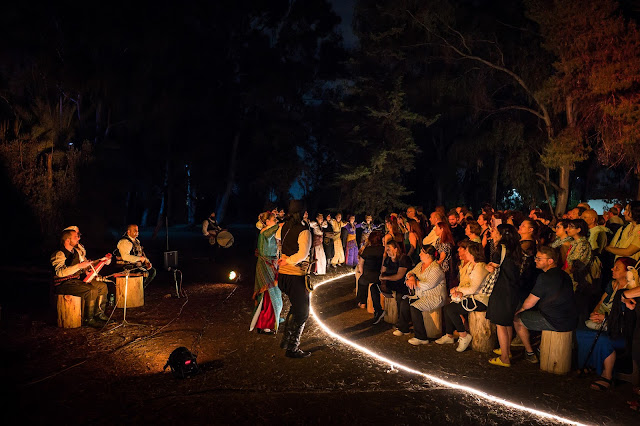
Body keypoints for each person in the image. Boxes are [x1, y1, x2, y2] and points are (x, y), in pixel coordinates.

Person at [576, 257, 637, 391]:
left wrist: (605, 318)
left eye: (617, 268)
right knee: (581, 332)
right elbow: (600, 302)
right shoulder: (613, 284)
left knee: (603, 340)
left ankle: (607, 376)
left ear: (628, 272)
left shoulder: (632, 290)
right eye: (613, 266)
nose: (612, 269)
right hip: (603, 322)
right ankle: (590, 363)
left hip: (620, 330)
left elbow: (628, 319)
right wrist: (595, 313)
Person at [513, 246, 578, 364]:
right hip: (571, 318)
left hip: (555, 320)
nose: (535, 260)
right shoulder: (565, 275)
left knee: (517, 319)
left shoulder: (544, 277)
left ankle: (530, 353)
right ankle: (540, 348)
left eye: (539, 259)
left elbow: (529, 303)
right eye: (536, 258)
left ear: (550, 261)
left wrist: (520, 310)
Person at [51, 227, 110, 328]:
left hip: (76, 281)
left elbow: (85, 264)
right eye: (76, 237)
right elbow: (60, 272)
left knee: (102, 286)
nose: (78, 239)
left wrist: (101, 260)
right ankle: (88, 319)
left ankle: (99, 314)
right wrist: (79, 266)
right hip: (64, 284)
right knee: (91, 290)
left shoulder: (76, 252)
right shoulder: (59, 254)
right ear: (67, 240)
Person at [436, 242, 489, 351]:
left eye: (467, 251)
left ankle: (464, 336)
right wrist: (457, 291)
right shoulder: (471, 265)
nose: (465, 253)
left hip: (480, 300)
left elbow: (473, 288)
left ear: (472, 254)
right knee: (447, 307)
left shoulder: (480, 267)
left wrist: (458, 290)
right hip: (471, 297)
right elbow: (465, 284)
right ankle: (449, 335)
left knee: (451, 309)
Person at [277, 200, 313, 358]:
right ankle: (292, 347)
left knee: (295, 306)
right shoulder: (303, 230)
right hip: (295, 275)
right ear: (302, 213)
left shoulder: (283, 227)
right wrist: (289, 260)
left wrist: (283, 258)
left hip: (283, 275)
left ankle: (286, 340)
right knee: (303, 312)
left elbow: (279, 241)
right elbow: (302, 254)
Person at [486, 224, 522, 367]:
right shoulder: (516, 248)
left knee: (501, 324)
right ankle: (506, 349)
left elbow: (492, 268)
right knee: (507, 321)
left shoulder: (501, 248)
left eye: (495, 231)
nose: (492, 232)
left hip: (501, 289)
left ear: (501, 235)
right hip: (512, 289)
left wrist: (485, 266)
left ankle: (505, 358)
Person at [405, 245, 447, 345]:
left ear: (428, 255)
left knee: (415, 307)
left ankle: (421, 337)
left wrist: (414, 282)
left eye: (422, 253)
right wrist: (411, 277)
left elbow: (428, 285)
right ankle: (403, 328)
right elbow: (410, 272)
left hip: (435, 297)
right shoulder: (420, 265)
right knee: (404, 302)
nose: (419, 254)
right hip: (421, 295)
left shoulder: (435, 269)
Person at [250, 211, 283, 335]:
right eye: (273, 219)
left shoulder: (265, 231)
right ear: (267, 222)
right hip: (266, 264)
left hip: (269, 263)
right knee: (269, 294)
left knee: (273, 293)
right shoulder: (266, 232)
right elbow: (272, 231)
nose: (275, 221)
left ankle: (272, 320)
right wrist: (280, 225)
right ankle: (265, 325)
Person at [370, 241, 412, 334]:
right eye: (386, 248)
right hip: (390, 283)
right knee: (374, 287)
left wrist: (385, 277)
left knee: (400, 297)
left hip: (401, 284)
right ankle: (378, 311)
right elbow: (382, 271)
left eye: (389, 248)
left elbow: (399, 275)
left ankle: (402, 322)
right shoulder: (388, 260)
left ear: (396, 249)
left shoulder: (403, 259)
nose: (387, 251)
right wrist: (382, 279)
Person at [115, 224, 156, 288]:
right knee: (145, 273)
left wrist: (147, 262)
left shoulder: (136, 241)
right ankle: (137, 290)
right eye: (135, 230)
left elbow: (141, 253)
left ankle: (140, 289)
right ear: (129, 232)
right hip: (126, 267)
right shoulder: (125, 242)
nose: (137, 232)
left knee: (152, 271)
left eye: (137, 230)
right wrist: (139, 258)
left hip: (136, 266)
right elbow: (125, 257)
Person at [357, 230, 385, 318]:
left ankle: (362, 302)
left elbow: (361, 263)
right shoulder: (383, 249)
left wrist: (362, 273)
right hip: (378, 275)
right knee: (369, 284)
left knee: (361, 282)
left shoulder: (368, 249)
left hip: (368, 275)